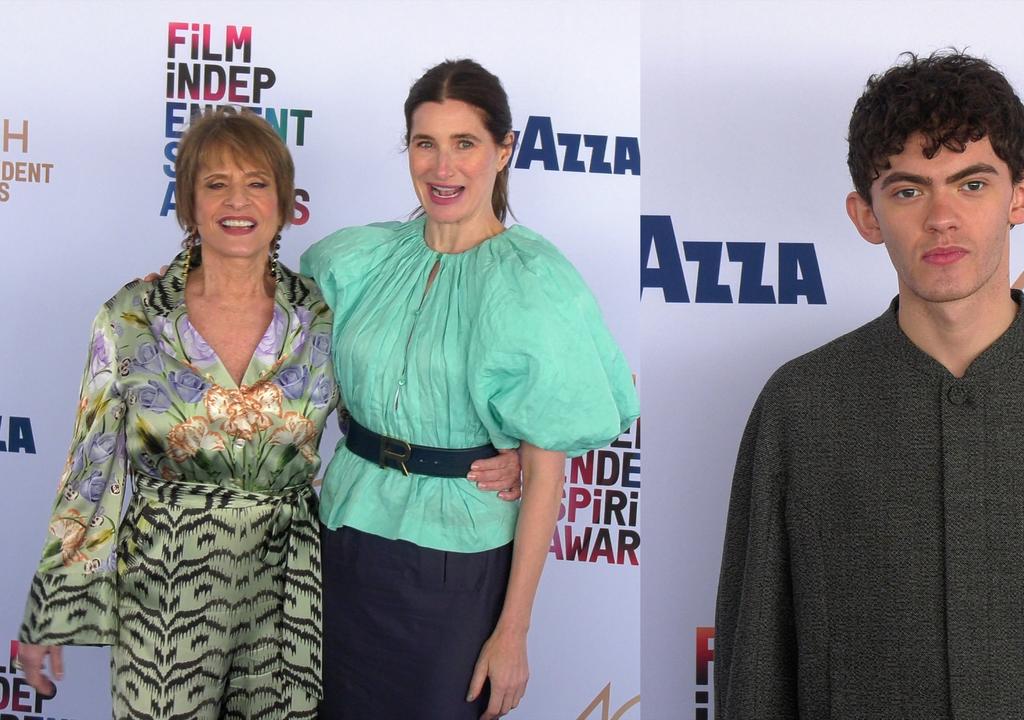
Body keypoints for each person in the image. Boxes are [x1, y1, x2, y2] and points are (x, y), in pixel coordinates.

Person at [715, 51, 1024, 719]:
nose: (941, 217)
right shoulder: (801, 408)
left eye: (971, 184)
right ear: (867, 214)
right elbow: (756, 673)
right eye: (909, 190)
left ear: (1022, 195)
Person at [301, 58, 638, 720]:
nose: (442, 167)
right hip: (341, 545)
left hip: (457, 570)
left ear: (504, 150)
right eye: (425, 143)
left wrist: (513, 633)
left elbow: (545, 475)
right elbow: (269, 351)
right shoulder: (353, 262)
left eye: (465, 144)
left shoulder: (535, 284)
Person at [16, 109, 337, 717]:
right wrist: (52, 609)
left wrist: (483, 459)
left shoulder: (321, 313)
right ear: (188, 204)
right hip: (164, 592)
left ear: (285, 201)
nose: (236, 200)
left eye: (257, 182)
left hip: (287, 591)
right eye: (215, 184)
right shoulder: (132, 316)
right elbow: (94, 465)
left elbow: (381, 422)